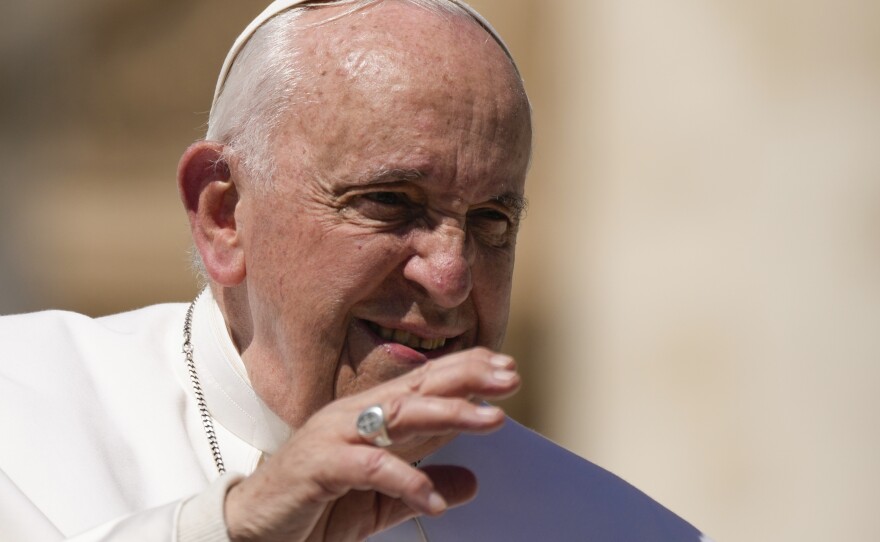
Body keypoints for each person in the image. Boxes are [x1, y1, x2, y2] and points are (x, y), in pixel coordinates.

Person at [0, 1, 709, 540]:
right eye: (390, 202)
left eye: (493, 219)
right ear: (224, 214)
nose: (451, 276)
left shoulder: (612, 528)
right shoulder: (21, 411)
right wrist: (232, 526)